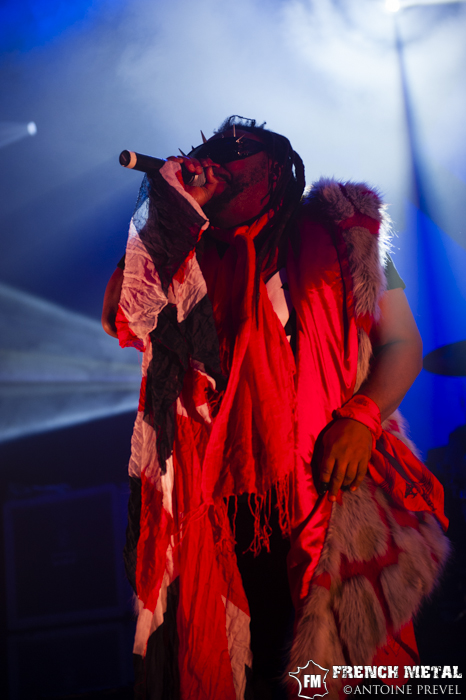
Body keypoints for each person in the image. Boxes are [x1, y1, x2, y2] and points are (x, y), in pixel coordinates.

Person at [102, 116, 450, 700]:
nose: (220, 155)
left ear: (277, 166)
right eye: (212, 146)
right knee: (245, 668)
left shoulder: (343, 230)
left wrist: (363, 417)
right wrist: (169, 211)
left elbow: (402, 343)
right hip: (224, 503)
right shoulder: (187, 245)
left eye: (238, 146)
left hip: (332, 483)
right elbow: (122, 315)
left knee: (346, 671)